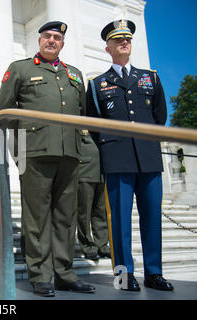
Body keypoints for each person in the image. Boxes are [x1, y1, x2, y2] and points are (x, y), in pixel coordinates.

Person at [0, 21, 95, 296]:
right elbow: (3, 112)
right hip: (36, 153)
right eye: (48, 36)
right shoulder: (21, 68)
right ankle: (40, 274)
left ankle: (64, 272)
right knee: (37, 216)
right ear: (39, 40)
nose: (52, 41)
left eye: (57, 38)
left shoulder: (74, 74)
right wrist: (20, 151)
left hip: (70, 153)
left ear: (62, 43)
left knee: (66, 216)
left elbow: (81, 115)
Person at [86, 19, 173, 291]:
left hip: (148, 158)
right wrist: (111, 146)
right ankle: (124, 276)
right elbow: (93, 124)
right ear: (108, 48)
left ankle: (154, 273)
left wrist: (145, 142)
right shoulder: (98, 84)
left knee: (152, 219)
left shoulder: (151, 77)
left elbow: (160, 116)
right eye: (118, 39)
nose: (125, 42)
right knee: (120, 222)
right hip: (117, 161)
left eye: (128, 39)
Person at [76, 129, 111, 260]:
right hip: (84, 169)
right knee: (83, 212)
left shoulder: (98, 119)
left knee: (100, 211)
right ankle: (87, 245)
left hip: (102, 169)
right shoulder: (77, 118)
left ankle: (102, 244)